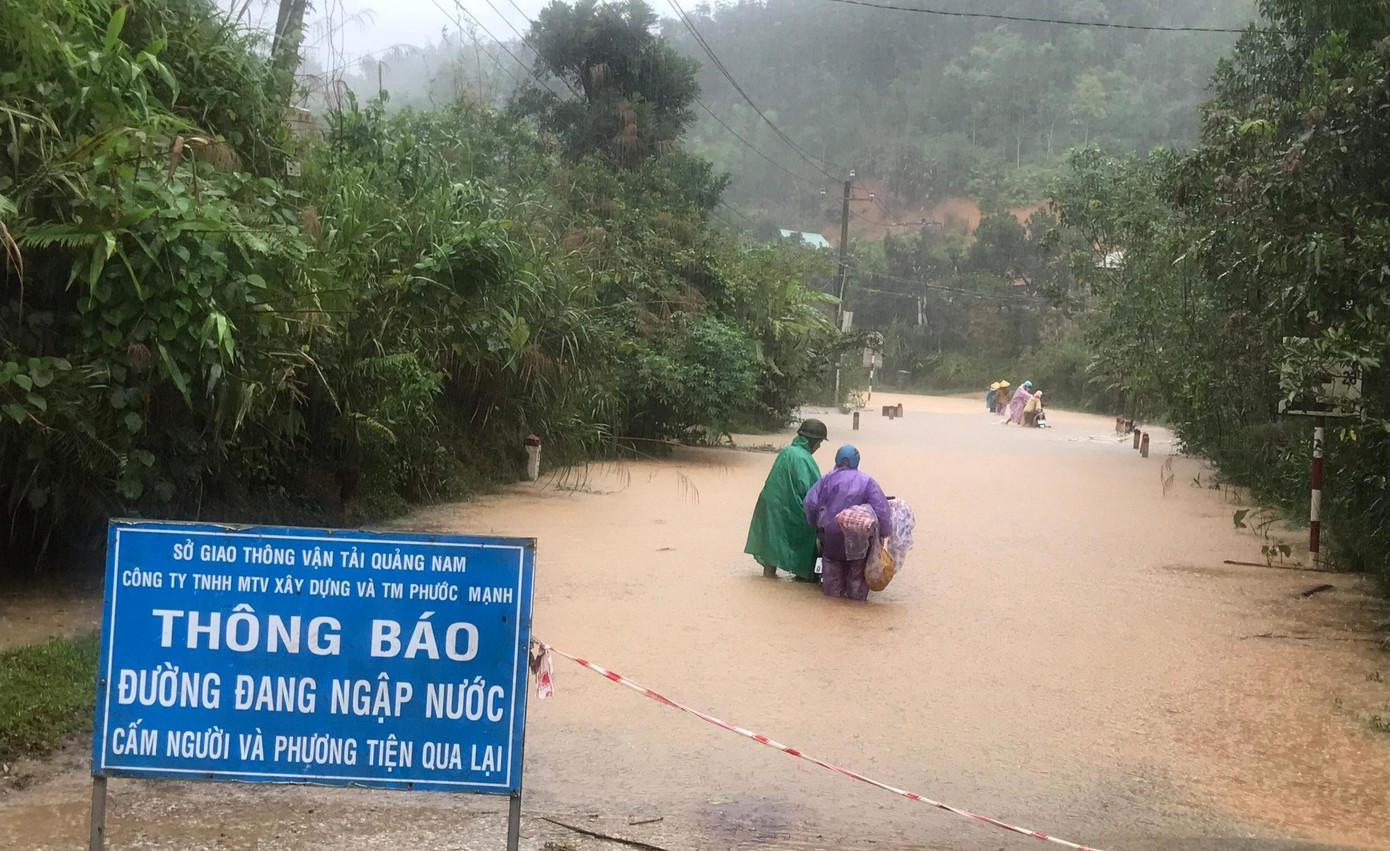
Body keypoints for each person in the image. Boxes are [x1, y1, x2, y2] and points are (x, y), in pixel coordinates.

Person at [802, 445, 892, 601]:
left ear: (837, 459)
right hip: (860, 542)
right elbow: (882, 511)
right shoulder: (868, 482)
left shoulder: (826, 479)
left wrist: (816, 525)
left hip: (831, 539)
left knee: (831, 584)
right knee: (856, 581)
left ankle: (832, 615)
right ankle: (853, 616)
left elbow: (810, 504)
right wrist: (883, 534)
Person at [745, 419, 827, 581]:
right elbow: (811, 492)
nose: (819, 447)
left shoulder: (786, 452)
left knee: (772, 540)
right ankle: (802, 576)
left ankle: (768, 579)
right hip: (787, 507)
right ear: (812, 441)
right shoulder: (804, 459)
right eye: (819, 442)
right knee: (808, 535)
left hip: (769, 504)